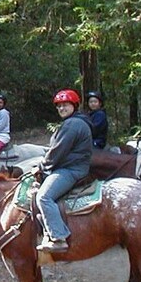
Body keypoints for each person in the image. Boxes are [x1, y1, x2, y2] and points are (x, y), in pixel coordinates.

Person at [35, 89, 93, 252]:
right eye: (59, 106)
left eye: (65, 105)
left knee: (44, 197)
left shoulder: (72, 124)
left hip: (71, 169)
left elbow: (57, 152)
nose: (61, 109)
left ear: (74, 106)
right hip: (73, 166)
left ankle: (58, 237)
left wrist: (41, 167)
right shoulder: (76, 122)